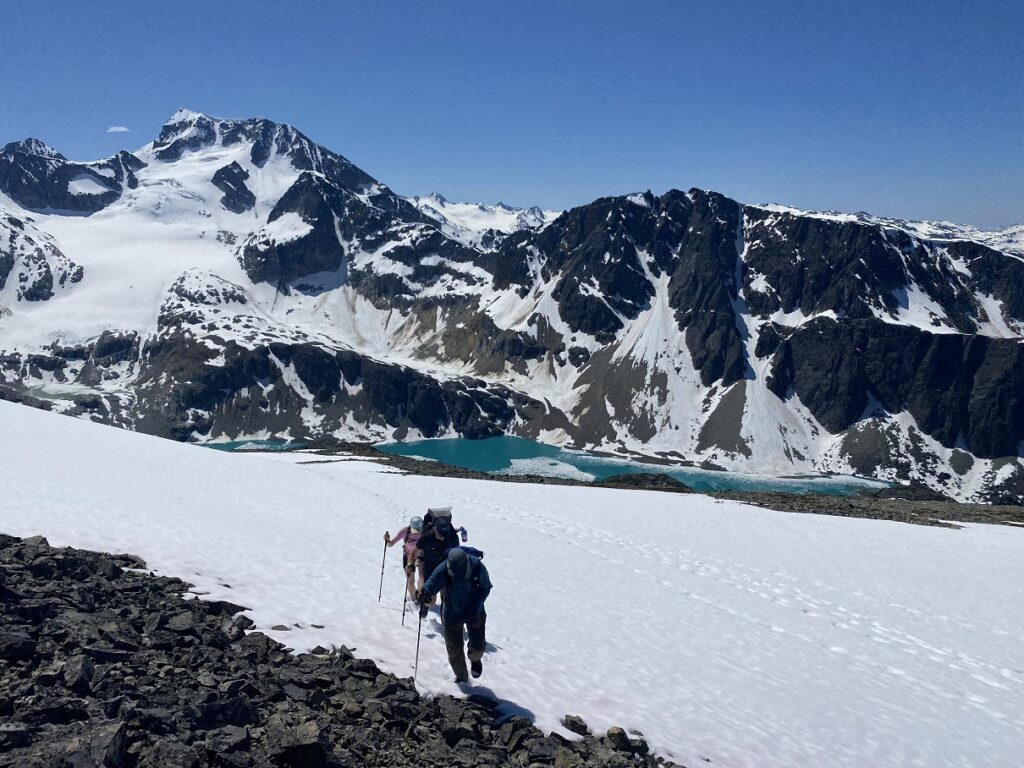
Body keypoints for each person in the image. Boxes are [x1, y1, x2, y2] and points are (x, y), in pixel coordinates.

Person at [418, 547, 492, 683]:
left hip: (474, 612)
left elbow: (485, 589)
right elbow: (433, 581)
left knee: (478, 645)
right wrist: (426, 592)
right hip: (452, 613)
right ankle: (462, 677)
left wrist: (475, 610)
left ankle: (475, 659)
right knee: (454, 651)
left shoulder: (477, 568)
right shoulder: (445, 567)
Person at [411, 511, 460, 606]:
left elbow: (456, 554)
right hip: (430, 568)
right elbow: (413, 553)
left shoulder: (453, 537)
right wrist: (410, 565)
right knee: (431, 601)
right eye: (440, 536)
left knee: (445, 598)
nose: (442, 539)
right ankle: (424, 604)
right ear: (434, 530)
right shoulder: (426, 537)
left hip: (445, 569)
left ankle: (443, 616)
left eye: (444, 536)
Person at [384, 516, 424, 601]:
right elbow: (390, 544)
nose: (416, 532)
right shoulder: (405, 532)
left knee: (422, 578)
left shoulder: (425, 531)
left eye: (418, 529)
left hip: (421, 556)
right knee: (410, 582)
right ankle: (414, 600)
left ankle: (420, 596)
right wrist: (387, 540)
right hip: (408, 557)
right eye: (415, 530)